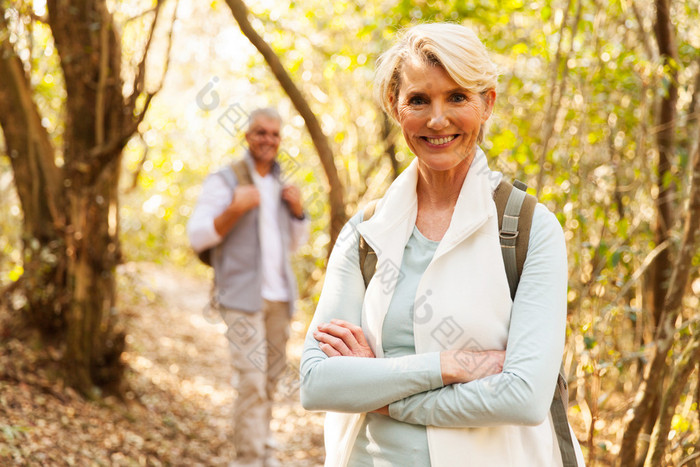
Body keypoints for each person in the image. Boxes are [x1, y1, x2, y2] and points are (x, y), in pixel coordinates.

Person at [299, 23, 585, 466]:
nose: (437, 119)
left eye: (456, 97)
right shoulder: (365, 232)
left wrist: (380, 391)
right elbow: (318, 383)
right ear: (397, 110)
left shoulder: (529, 229)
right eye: (418, 100)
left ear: (486, 103)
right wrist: (450, 364)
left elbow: (525, 397)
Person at [187, 107, 309, 467]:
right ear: (247, 136)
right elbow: (197, 237)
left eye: (274, 134)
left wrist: (299, 212)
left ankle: (263, 448)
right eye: (260, 132)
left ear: (279, 140)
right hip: (241, 298)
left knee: (270, 381)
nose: (267, 140)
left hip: (279, 297)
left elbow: (294, 245)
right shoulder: (224, 181)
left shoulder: (282, 184)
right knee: (253, 382)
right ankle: (250, 460)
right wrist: (234, 209)